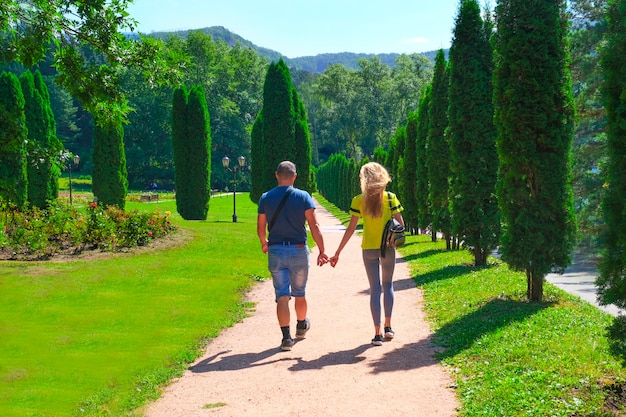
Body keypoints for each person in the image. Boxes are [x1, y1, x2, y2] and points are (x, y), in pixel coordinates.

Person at [329, 162, 404, 346]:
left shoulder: (358, 200)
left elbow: (351, 228)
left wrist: (338, 252)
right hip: (388, 246)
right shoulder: (390, 198)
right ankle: (388, 327)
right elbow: (401, 224)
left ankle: (377, 333)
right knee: (388, 285)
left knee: (375, 289)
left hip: (369, 248)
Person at [257, 161, 328, 351]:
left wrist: (264, 242)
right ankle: (301, 324)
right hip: (298, 250)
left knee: (282, 295)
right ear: (294, 176)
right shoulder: (303, 196)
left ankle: (286, 338)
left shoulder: (266, 197)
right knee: (300, 293)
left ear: (276, 175)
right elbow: (314, 226)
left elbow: (260, 227)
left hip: (276, 250)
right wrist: (322, 250)